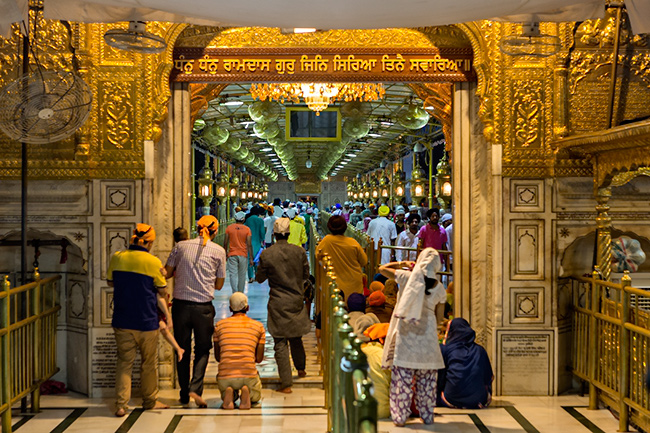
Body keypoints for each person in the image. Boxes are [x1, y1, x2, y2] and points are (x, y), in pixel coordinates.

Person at [378, 248, 447, 426]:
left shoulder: (407, 278)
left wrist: (402, 264)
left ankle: (400, 417)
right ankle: (426, 416)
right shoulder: (439, 288)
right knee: (427, 382)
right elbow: (439, 319)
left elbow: (382, 269)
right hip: (428, 340)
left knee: (402, 380)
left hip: (407, 338)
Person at [107, 223, 170, 417]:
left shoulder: (117, 258)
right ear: (149, 243)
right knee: (148, 363)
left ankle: (120, 405)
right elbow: (162, 290)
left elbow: (110, 281)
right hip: (147, 320)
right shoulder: (153, 262)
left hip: (122, 319)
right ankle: (150, 401)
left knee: (124, 363)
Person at [165, 215, 226, 408]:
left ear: (196, 228)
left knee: (181, 349)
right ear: (215, 231)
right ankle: (195, 388)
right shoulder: (218, 251)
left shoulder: (180, 247)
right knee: (202, 349)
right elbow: (219, 284)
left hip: (181, 306)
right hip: (203, 308)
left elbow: (166, 273)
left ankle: (184, 392)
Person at [256, 218, 311, 393]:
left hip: (278, 301)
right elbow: (306, 274)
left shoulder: (267, 254)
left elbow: (260, 278)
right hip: (295, 299)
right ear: (288, 234)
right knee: (295, 336)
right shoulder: (299, 252)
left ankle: (286, 383)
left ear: (274, 234)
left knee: (280, 341)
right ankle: (301, 369)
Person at [213, 293, 265, 410]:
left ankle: (229, 394)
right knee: (256, 394)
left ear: (230, 308)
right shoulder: (258, 326)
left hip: (226, 375)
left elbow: (218, 357)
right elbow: (259, 359)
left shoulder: (219, 326)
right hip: (248, 374)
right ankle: (248, 395)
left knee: (225, 386)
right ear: (247, 308)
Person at [438, 318, 493, 409]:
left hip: (451, 398)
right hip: (479, 399)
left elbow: (440, 377)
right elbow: (488, 376)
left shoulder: (446, 350)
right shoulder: (480, 350)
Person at [315, 215, 368, 299]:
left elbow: (317, 255)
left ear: (329, 227)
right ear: (345, 227)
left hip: (335, 286)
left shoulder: (326, 241)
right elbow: (364, 261)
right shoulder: (353, 243)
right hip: (354, 284)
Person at [225, 211, 253, 293]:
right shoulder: (247, 229)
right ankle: (240, 293)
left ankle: (234, 292)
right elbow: (249, 244)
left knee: (232, 274)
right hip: (243, 254)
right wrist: (251, 257)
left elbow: (225, 242)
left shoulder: (229, 228)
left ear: (235, 219)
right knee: (242, 275)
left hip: (232, 254)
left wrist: (225, 253)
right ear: (244, 219)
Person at [245, 206, 265, 283]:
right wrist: (262, 240)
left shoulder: (248, 220)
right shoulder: (260, 220)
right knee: (257, 259)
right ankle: (257, 275)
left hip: (248, 242)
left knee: (249, 259)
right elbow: (262, 232)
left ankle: (250, 277)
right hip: (257, 242)